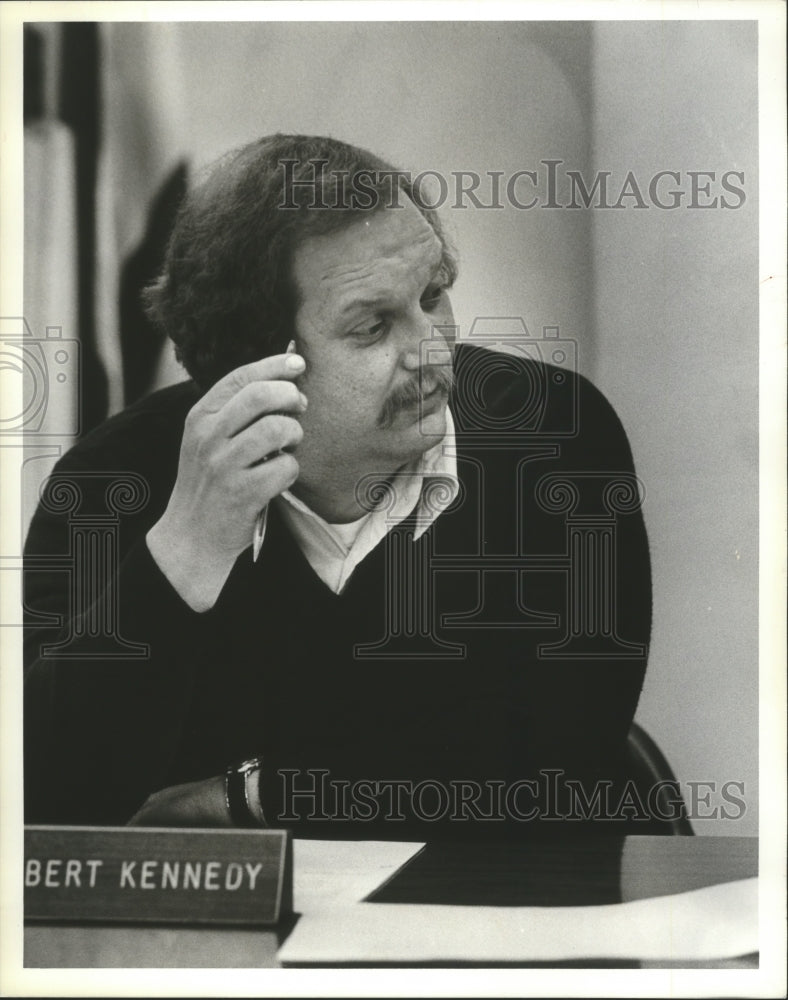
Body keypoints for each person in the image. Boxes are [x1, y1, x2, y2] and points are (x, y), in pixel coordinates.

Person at [23, 134, 652, 837]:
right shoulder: (109, 482)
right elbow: (50, 796)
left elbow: (558, 762)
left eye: (433, 296)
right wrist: (183, 552)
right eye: (374, 326)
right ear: (258, 366)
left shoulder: (555, 436)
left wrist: (247, 795)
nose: (433, 349)